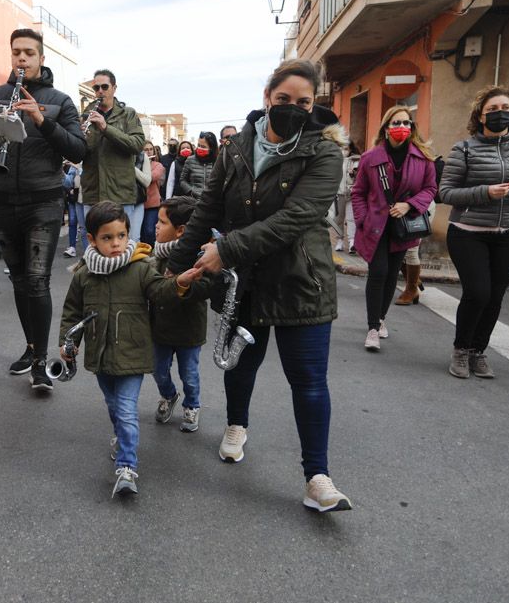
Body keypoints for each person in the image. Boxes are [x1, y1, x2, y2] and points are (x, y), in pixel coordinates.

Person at [167, 58, 353, 513]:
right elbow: (207, 210)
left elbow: (296, 218)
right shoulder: (235, 149)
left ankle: (317, 477)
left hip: (300, 280)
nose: (292, 108)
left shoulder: (325, 152)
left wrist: (225, 251)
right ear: (266, 98)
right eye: (284, 99)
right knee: (240, 365)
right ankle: (236, 425)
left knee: (308, 381)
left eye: (304, 102)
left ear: (315, 106)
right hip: (244, 284)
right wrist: (174, 264)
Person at [59, 201, 200, 497]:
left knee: (125, 411)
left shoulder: (140, 268)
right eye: (107, 238)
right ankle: (122, 439)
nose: (116, 243)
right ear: (92, 239)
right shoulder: (84, 275)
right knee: (113, 406)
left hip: (133, 354)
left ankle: (127, 466)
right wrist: (67, 341)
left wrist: (180, 284)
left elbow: (160, 291)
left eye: (121, 236)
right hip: (99, 356)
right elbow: (73, 312)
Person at [0, 28, 86, 390]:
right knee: (21, 282)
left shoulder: (61, 100)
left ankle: (41, 362)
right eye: (16, 53)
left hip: (44, 200)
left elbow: (77, 149)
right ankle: (31, 346)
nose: (21, 59)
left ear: (41, 58)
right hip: (3, 200)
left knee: (38, 281)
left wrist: (42, 120)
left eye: (29, 53)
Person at [439, 85, 509, 379]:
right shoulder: (464, 148)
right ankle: (461, 350)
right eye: (493, 110)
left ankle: (478, 351)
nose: (500, 114)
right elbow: (446, 192)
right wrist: (485, 192)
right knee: (477, 292)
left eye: (505, 109)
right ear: (481, 115)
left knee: (495, 296)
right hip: (468, 231)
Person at [350, 107, 437, 352]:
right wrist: (363, 220)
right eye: (397, 122)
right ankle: (372, 328)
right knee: (378, 272)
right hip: (375, 227)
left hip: (403, 227)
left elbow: (430, 189)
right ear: (386, 127)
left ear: (412, 128)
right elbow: (358, 193)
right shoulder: (370, 158)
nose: (402, 127)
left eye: (407, 123)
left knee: (391, 276)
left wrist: (409, 205)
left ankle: (381, 318)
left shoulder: (423, 157)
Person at [149, 196, 210, 432]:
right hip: (159, 328)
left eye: (162, 222)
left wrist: (180, 285)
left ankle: (192, 404)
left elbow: (205, 288)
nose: (155, 226)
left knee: (190, 374)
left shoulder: (198, 257)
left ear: (180, 231)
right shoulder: (156, 255)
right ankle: (168, 395)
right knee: (158, 370)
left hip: (188, 330)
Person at [80, 69, 145, 225]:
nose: (100, 91)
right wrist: (79, 137)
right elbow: (79, 154)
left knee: (120, 247)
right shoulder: (85, 116)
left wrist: (105, 127)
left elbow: (137, 144)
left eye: (105, 87)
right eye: (96, 88)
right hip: (93, 194)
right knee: (93, 247)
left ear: (114, 88)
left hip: (120, 195)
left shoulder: (127, 114)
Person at [332, 141, 359, 253]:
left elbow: (360, 176)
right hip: (338, 194)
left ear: (351, 149)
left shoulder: (356, 160)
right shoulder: (335, 160)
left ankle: (352, 242)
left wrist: (354, 173)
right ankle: (339, 241)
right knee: (338, 219)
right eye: (341, 148)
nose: (343, 151)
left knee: (351, 219)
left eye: (346, 148)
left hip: (351, 194)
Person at [178, 131, 218, 199]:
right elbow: (182, 180)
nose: (199, 148)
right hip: (194, 200)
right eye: (198, 145)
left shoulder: (218, 161)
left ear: (211, 148)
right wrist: (191, 191)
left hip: (212, 201)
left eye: (203, 146)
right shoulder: (190, 160)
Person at [139, 141, 165, 246]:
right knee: (140, 232)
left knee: (150, 230)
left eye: (151, 149)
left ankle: (153, 251)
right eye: (146, 149)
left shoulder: (158, 165)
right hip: (139, 203)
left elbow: (152, 177)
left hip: (153, 204)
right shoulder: (137, 164)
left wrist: (142, 169)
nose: (149, 152)